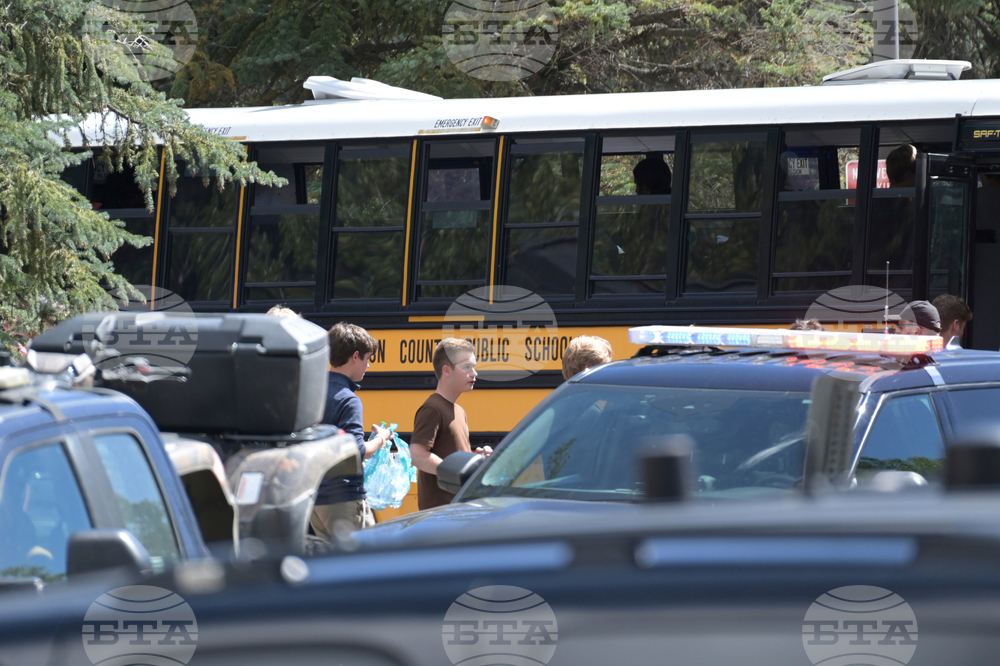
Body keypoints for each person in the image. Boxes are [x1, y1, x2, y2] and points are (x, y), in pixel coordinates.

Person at [311, 323, 394, 536]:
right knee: (364, 564)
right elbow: (356, 451)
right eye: (368, 359)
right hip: (344, 498)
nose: (368, 366)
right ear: (355, 356)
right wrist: (381, 439)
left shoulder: (313, 392)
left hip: (315, 500)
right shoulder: (349, 400)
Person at [409, 338, 477, 510]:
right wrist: (457, 473)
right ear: (446, 370)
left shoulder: (459, 411)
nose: (474, 373)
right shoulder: (432, 409)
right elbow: (418, 455)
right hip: (439, 514)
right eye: (467, 367)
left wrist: (474, 458)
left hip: (457, 509)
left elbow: (452, 454)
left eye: (474, 367)